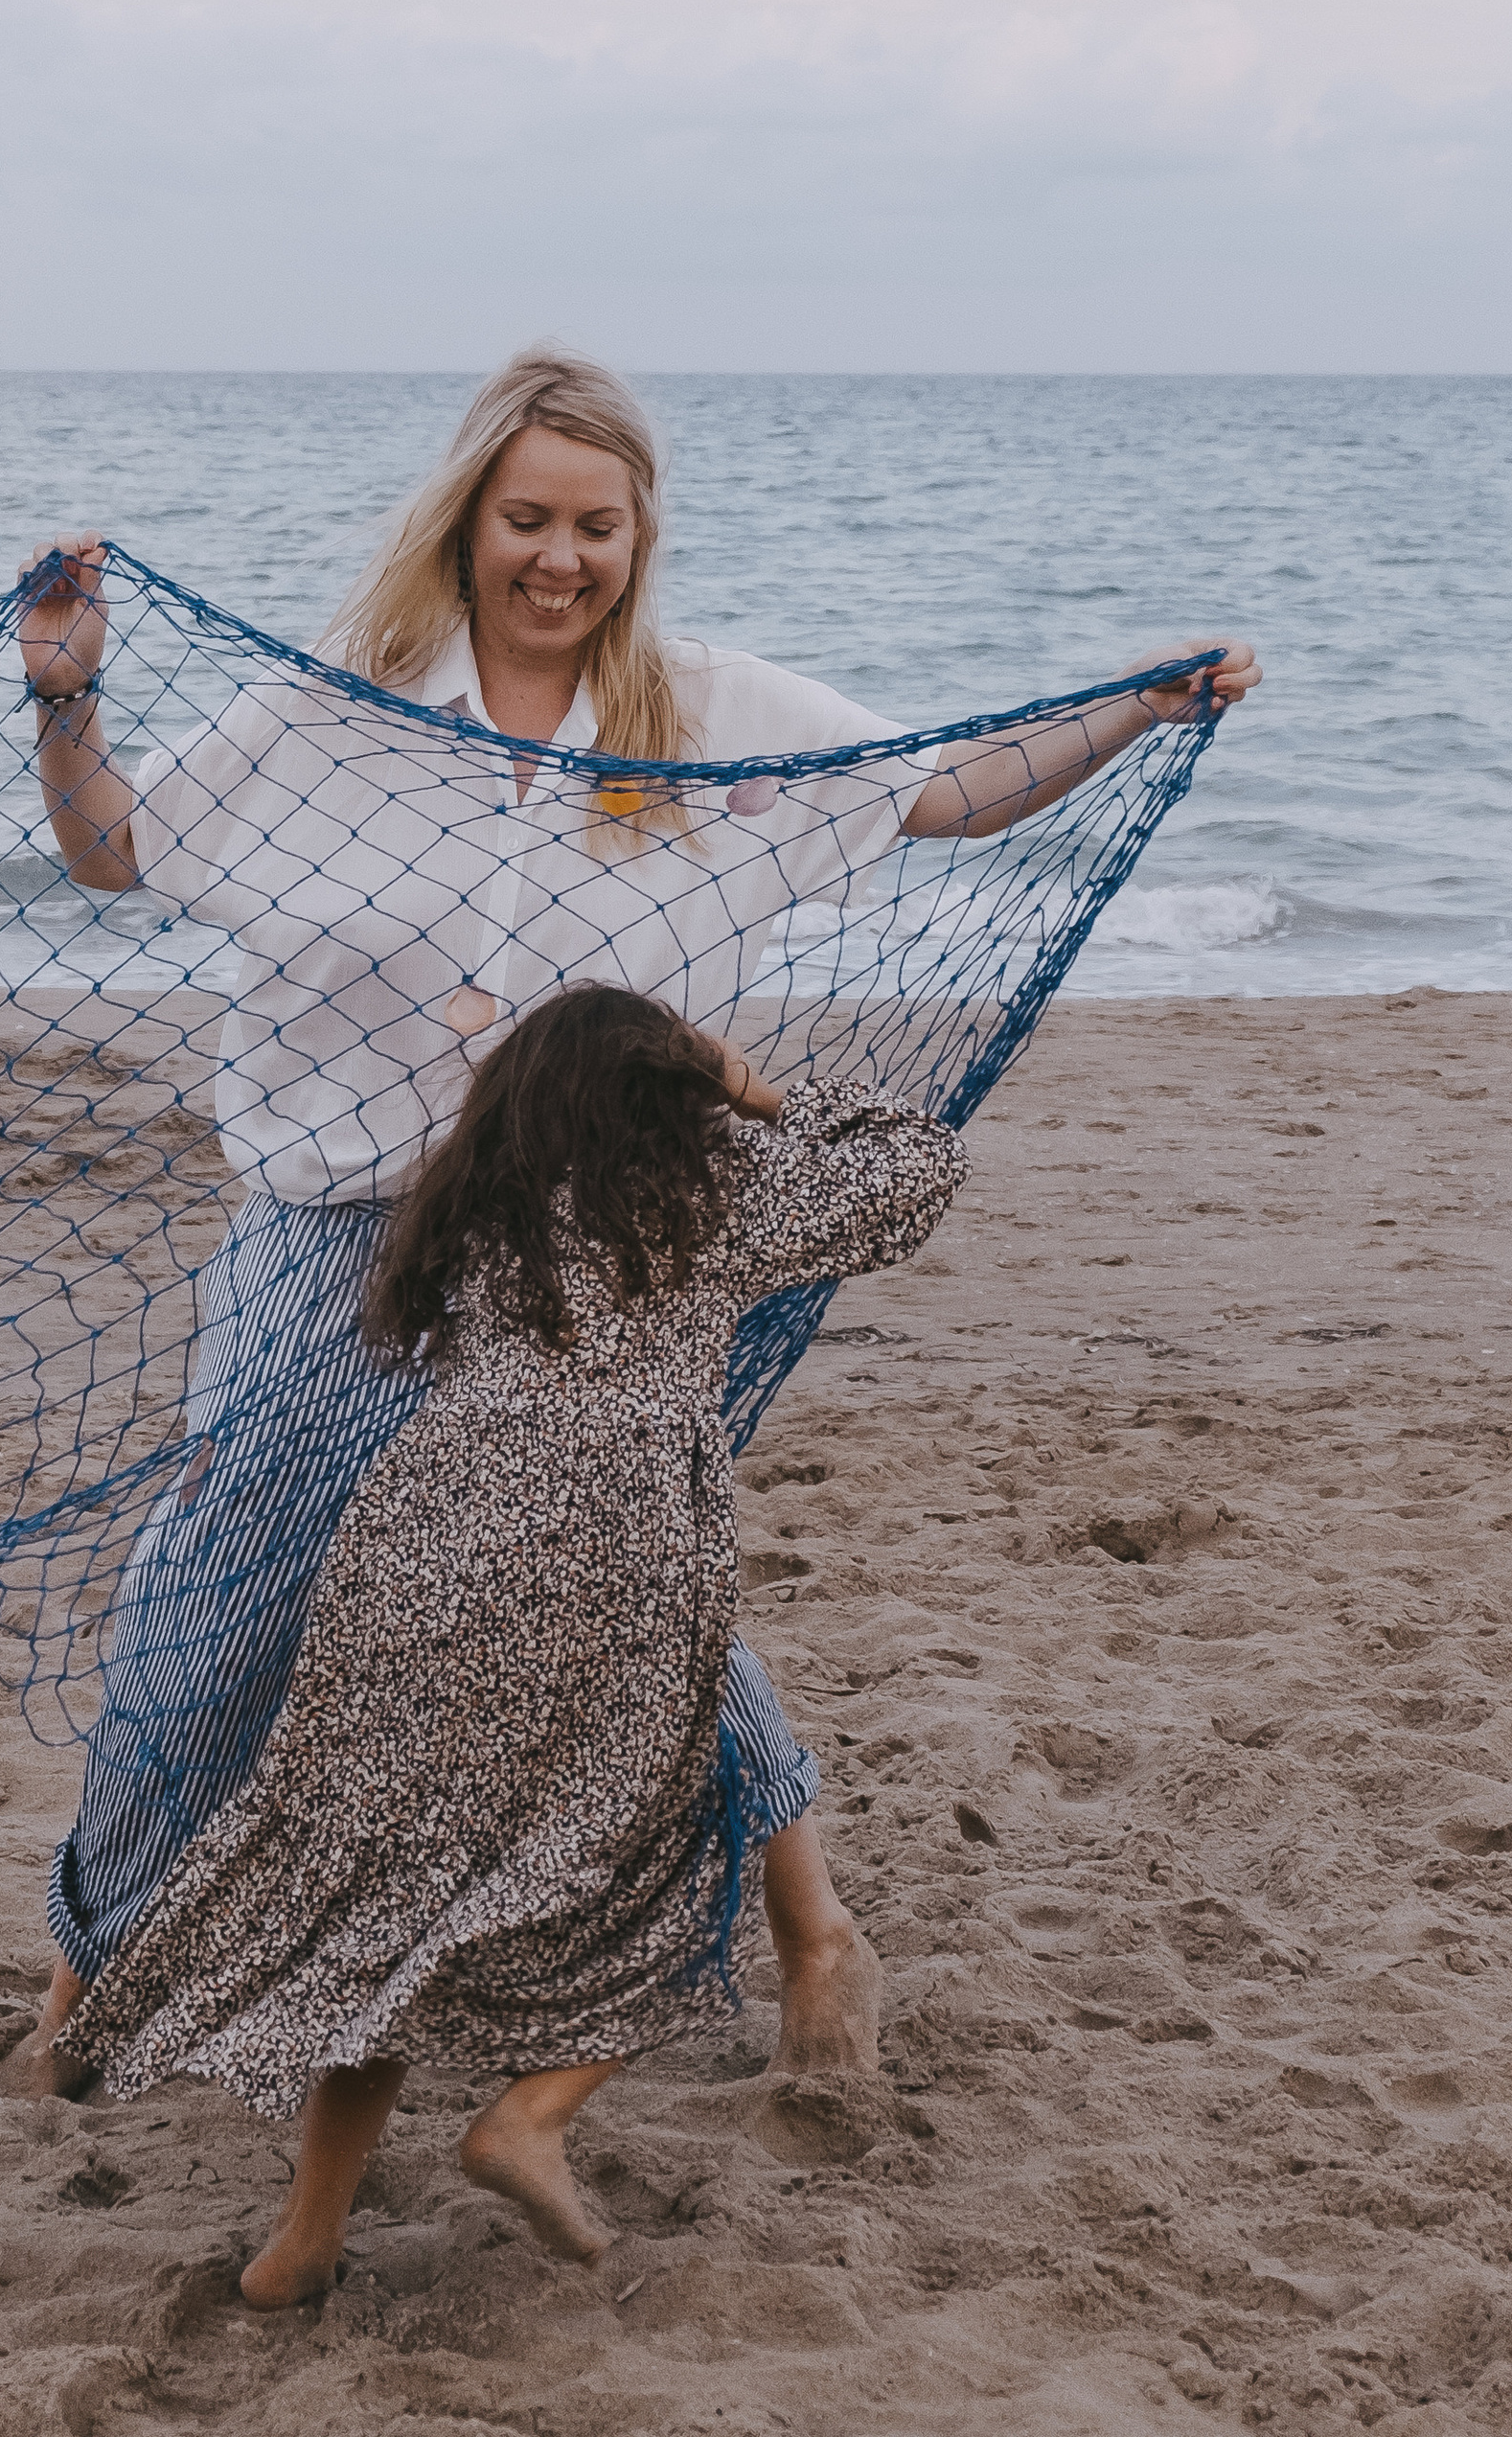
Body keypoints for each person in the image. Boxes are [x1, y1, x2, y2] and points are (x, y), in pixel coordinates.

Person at [0, 348, 1259, 2101]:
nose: (559, 557)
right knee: (219, 1603)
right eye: (527, 518)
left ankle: (815, 1932)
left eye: (597, 524)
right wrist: (68, 697)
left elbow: (949, 788)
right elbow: (113, 854)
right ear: (466, 521)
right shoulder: (333, 716)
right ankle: (98, 1966)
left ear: (639, 534)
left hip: (601, 1256)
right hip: (335, 1237)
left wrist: (1136, 710)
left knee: (621, 1584)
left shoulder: (716, 719)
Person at [57, 987, 967, 2304]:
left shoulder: (472, 1205)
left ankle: (304, 2241)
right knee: (648, 1849)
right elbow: (914, 1167)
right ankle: (529, 2119)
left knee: (390, 1884)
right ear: (668, 1095)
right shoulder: (709, 1197)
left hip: (418, 1542)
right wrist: (762, 1090)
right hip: (614, 1544)